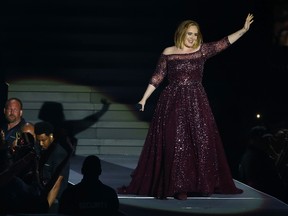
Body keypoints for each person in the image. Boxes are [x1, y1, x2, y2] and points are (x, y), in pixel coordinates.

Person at [119, 14, 254, 200]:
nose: (192, 37)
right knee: (175, 142)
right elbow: (158, 76)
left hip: (196, 101)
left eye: (195, 34)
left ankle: (197, 184)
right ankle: (176, 186)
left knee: (199, 142)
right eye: (189, 33)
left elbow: (223, 43)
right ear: (182, 33)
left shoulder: (202, 51)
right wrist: (144, 99)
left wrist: (243, 30)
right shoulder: (169, 52)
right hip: (172, 101)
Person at [34, 121, 72, 211]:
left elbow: (56, 185)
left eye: (43, 140)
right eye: (38, 140)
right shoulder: (40, 150)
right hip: (41, 195)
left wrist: (45, 209)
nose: (41, 144)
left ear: (51, 136)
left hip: (54, 200)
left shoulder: (59, 154)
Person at [1, 97, 26, 163]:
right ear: (4, 111)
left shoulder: (25, 130)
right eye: (9, 109)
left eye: (15, 110)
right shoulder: (2, 128)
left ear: (21, 112)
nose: (12, 112)